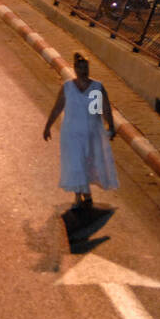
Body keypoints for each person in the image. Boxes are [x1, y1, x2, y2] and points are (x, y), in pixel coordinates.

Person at [44, 54, 119, 209]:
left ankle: (85, 194)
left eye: (86, 68)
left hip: (91, 135)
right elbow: (58, 107)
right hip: (71, 135)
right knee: (75, 163)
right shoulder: (68, 87)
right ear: (75, 69)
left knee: (87, 163)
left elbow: (104, 109)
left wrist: (110, 126)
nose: (83, 71)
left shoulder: (97, 87)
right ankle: (80, 196)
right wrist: (48, 126)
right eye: (80, 68)